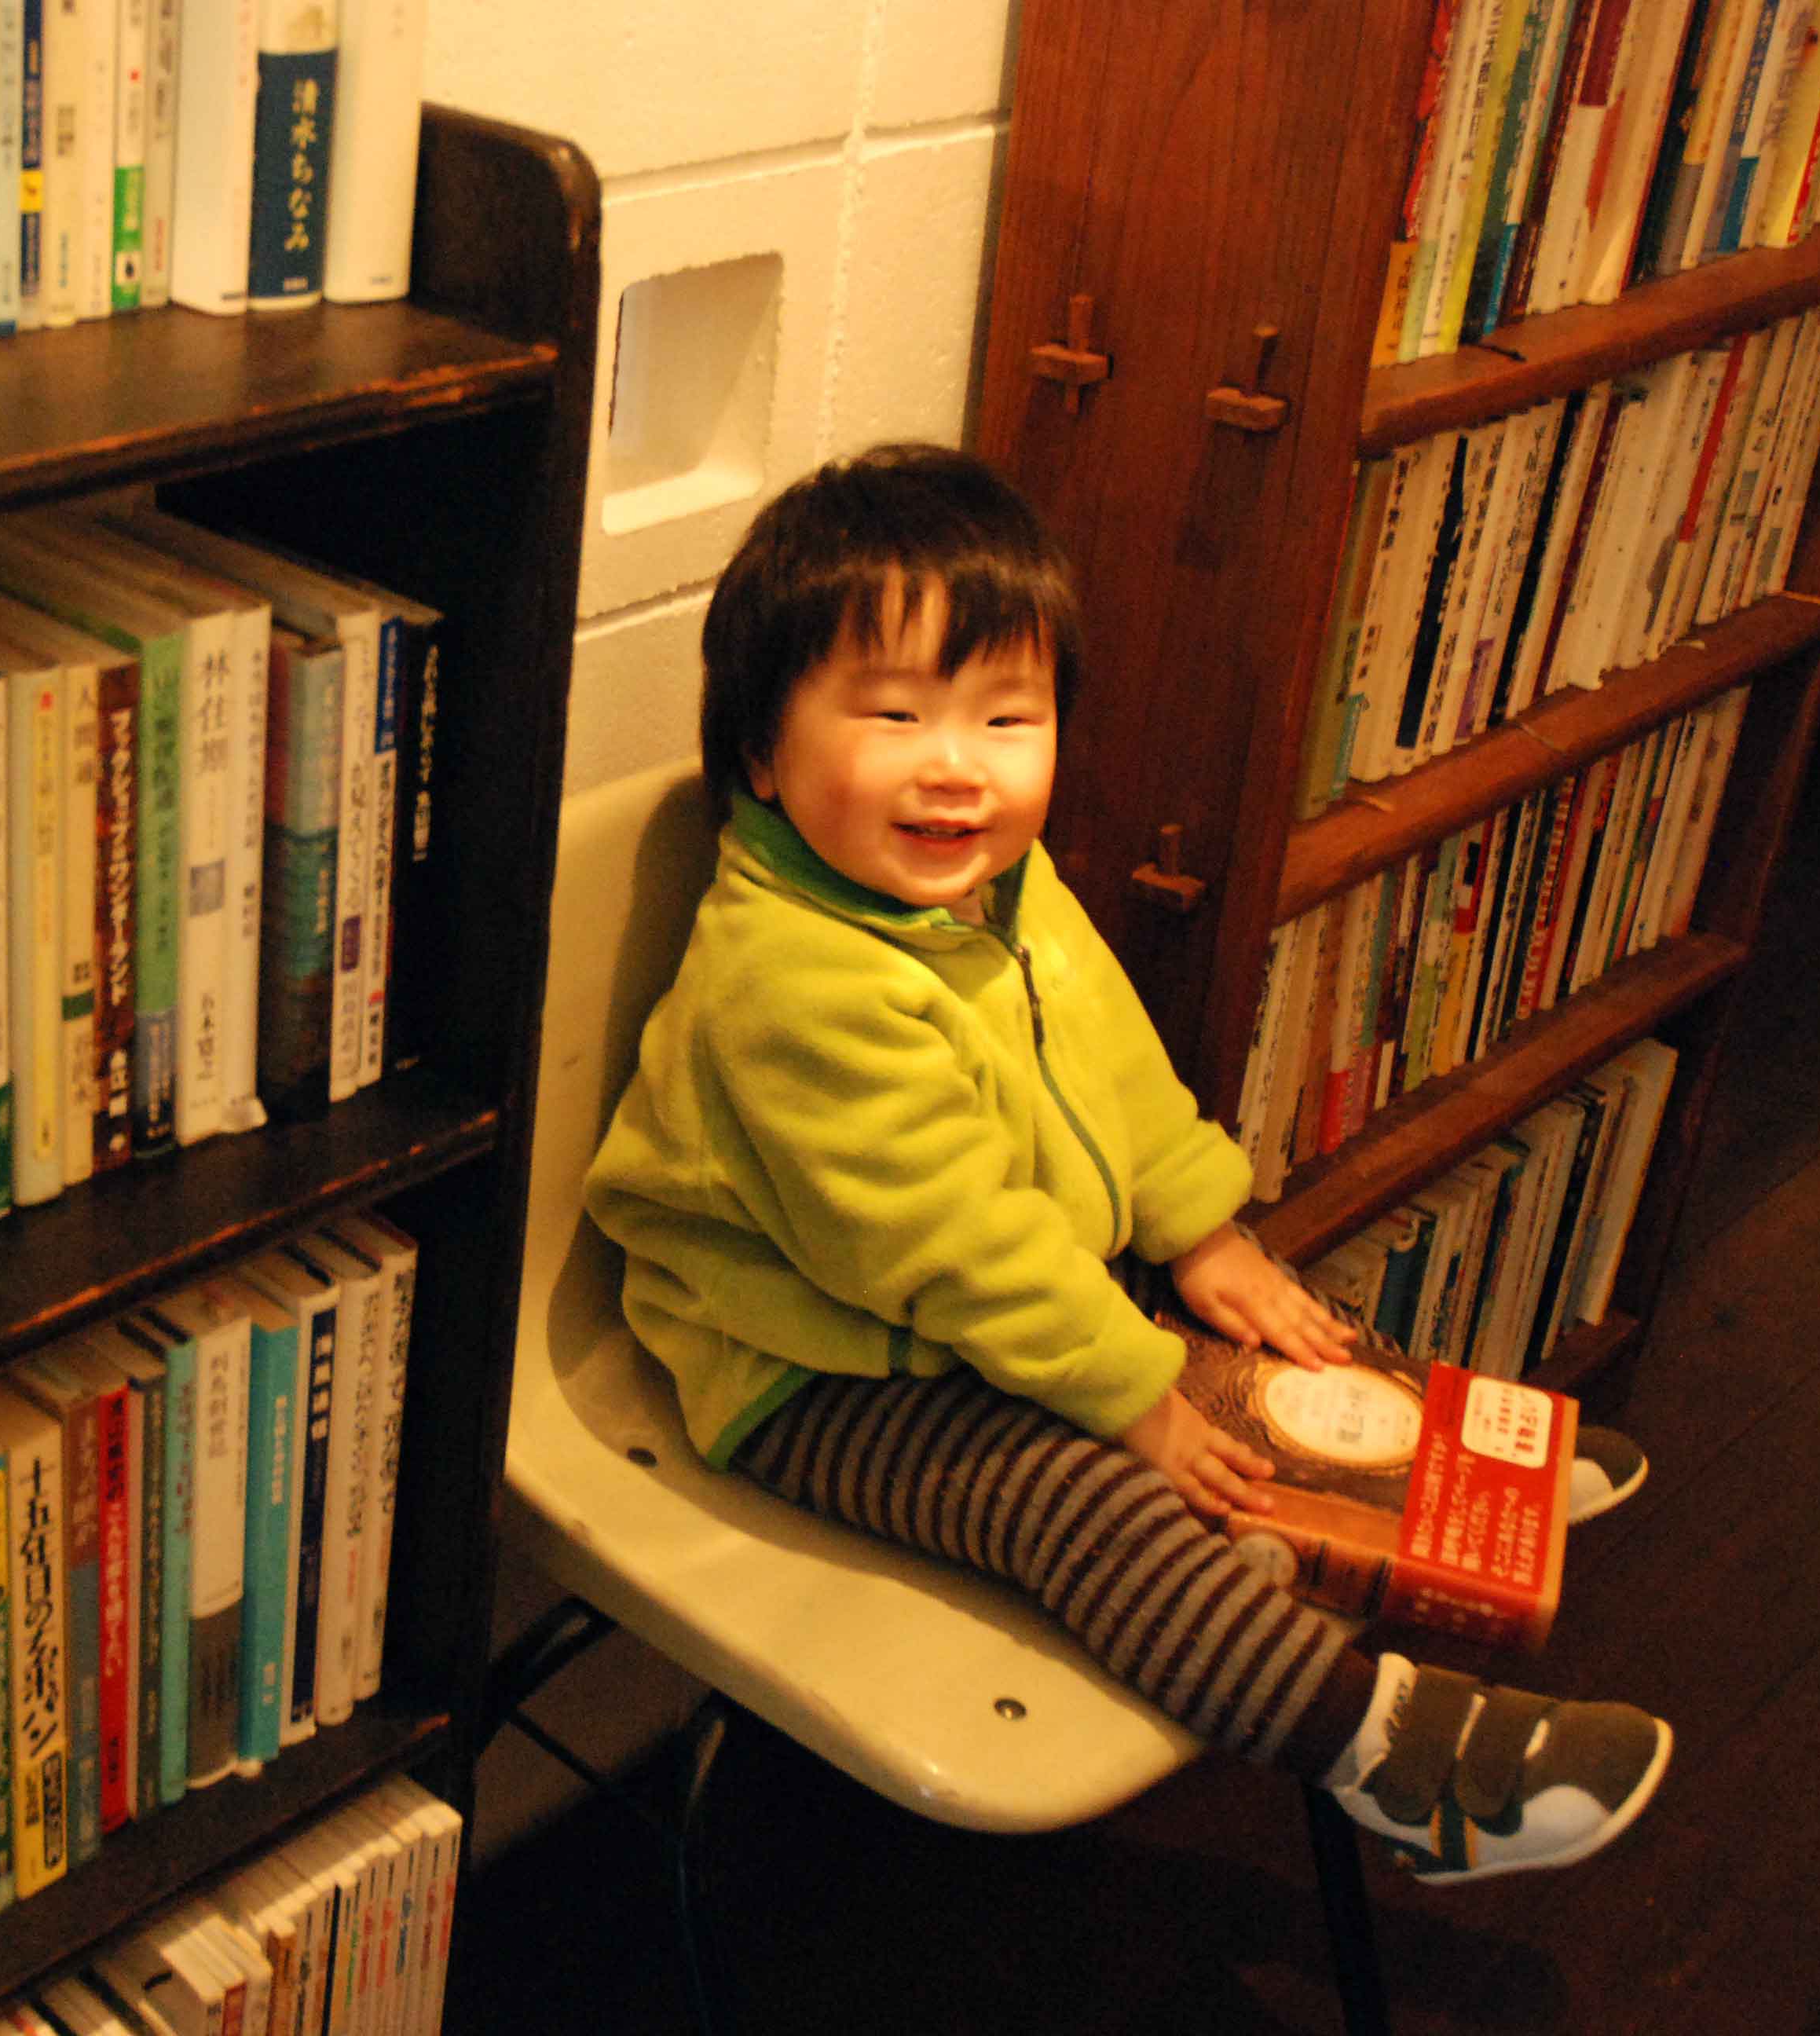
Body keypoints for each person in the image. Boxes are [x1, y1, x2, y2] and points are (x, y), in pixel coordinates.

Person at [581, 444, 1669, 1883]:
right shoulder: (791, 983)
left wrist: (1204, 1231)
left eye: (1007, 717)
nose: (956, 765)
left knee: (1270, 1324)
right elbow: (951, 1249)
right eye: (894, 714)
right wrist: (1127, 1394)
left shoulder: (997, 886)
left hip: (986, 1305)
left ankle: (1458, 1491)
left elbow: (1113, 1057)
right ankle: (1394, 1764)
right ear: (762, 757)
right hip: (805, 1368)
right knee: (1078, 1503)